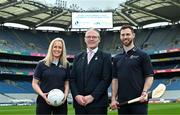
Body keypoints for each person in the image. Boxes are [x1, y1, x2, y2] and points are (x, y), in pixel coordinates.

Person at [110, 25, 154, 115]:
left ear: (133, 35)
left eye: (127, 34)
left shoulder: (143, 55)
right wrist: (113, 98)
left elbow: (149, 76)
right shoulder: (116, 58)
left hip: (139, 101)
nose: (125, 37)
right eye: (122, 35)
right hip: (122, 103)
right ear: (120, 36)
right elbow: (115, 79)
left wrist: (144, 92)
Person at [70, 28, 112, 114]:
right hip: (80, 104)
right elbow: (72, 79)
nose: (91, 39)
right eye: (88, 37)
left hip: (98, 104)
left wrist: (92, 96)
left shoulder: (106, 57)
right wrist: (76, 96)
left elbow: (106, 79)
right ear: (85, 39)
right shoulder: (78, 57)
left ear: (99, 39)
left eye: (94, 37)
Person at [32, 38, 70, 115]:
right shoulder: (42, 64)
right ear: (51, 48)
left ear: (62, 50)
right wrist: (42, 95)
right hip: (44, 100)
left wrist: (66, 95)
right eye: (55, 47)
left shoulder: (66, 64)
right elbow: (34, 83)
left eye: (60, 47)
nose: (57, 49)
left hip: (61, 100)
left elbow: (67, 82)